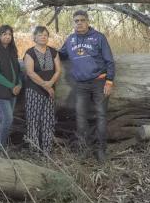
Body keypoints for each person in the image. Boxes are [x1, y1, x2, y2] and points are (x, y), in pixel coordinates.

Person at [58, 10, 115, 162]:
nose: (79, 23)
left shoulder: (98, 37)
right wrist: (40, 52)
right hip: (80, 85)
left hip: (99, 82)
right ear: (73, 23)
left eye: (82, 20)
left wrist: (109, 81)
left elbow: (109, 60)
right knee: (81, 117)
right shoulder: (70, 40)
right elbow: (59, 54)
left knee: (101, 116)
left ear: (88, 21)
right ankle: (84, 149)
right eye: (76, 20)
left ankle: (101, 150)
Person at [23, 26, 62, 156]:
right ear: (34, 37)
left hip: (49, 91)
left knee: (48, 120)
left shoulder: (53, 52)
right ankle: (34, 151)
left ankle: (47, 150)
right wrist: (47, 86)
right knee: (33, 120)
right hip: (34, 91)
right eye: (40, 35)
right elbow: (30, 72)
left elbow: (58, 71)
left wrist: (51, 83)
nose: (43, 37)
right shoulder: (30, 53)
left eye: (45, 35)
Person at [0, 25, 22, 155]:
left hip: (13, 92)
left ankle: (2, 147)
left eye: (9, 34)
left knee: (7, 120)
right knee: (7, 119)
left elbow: (17, 69)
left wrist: (19, 84)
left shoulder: (12, 50)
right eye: (4, 34)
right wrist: (11, 86)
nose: (7, 36)